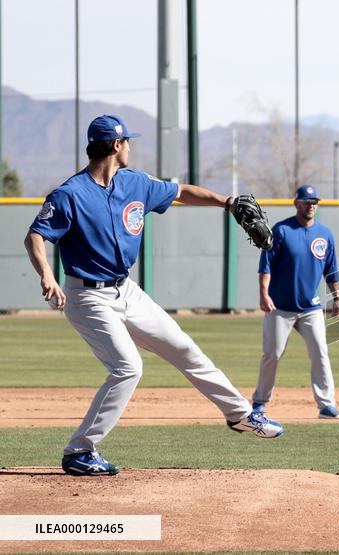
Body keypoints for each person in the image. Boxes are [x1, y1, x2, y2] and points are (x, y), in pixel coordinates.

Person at [24, 115, 284, 477]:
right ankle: (80, 451)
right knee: (128, 367)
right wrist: (48, 276)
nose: (130, 146)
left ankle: (240, 415)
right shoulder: (70, 194)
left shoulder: (136, 183)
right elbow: (35, 236)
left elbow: (181, 192)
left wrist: (227, 202)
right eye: (128, 141)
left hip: (126, 290)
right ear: (116, 146)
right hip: (88, 298)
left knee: (184, 348)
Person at [252, 185, 339, 419]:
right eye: (306, 201)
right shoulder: (281, 230)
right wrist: (264, 294)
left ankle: (326, 405)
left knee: (320, 353)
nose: (311, 205)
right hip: (280, 306)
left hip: (310, 308)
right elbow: (266, 265)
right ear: (296, 203)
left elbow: (331, 271)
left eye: (314, 202)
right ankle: (260, 401)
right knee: (272, 354)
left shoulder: (325, 234)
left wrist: (337, 298)